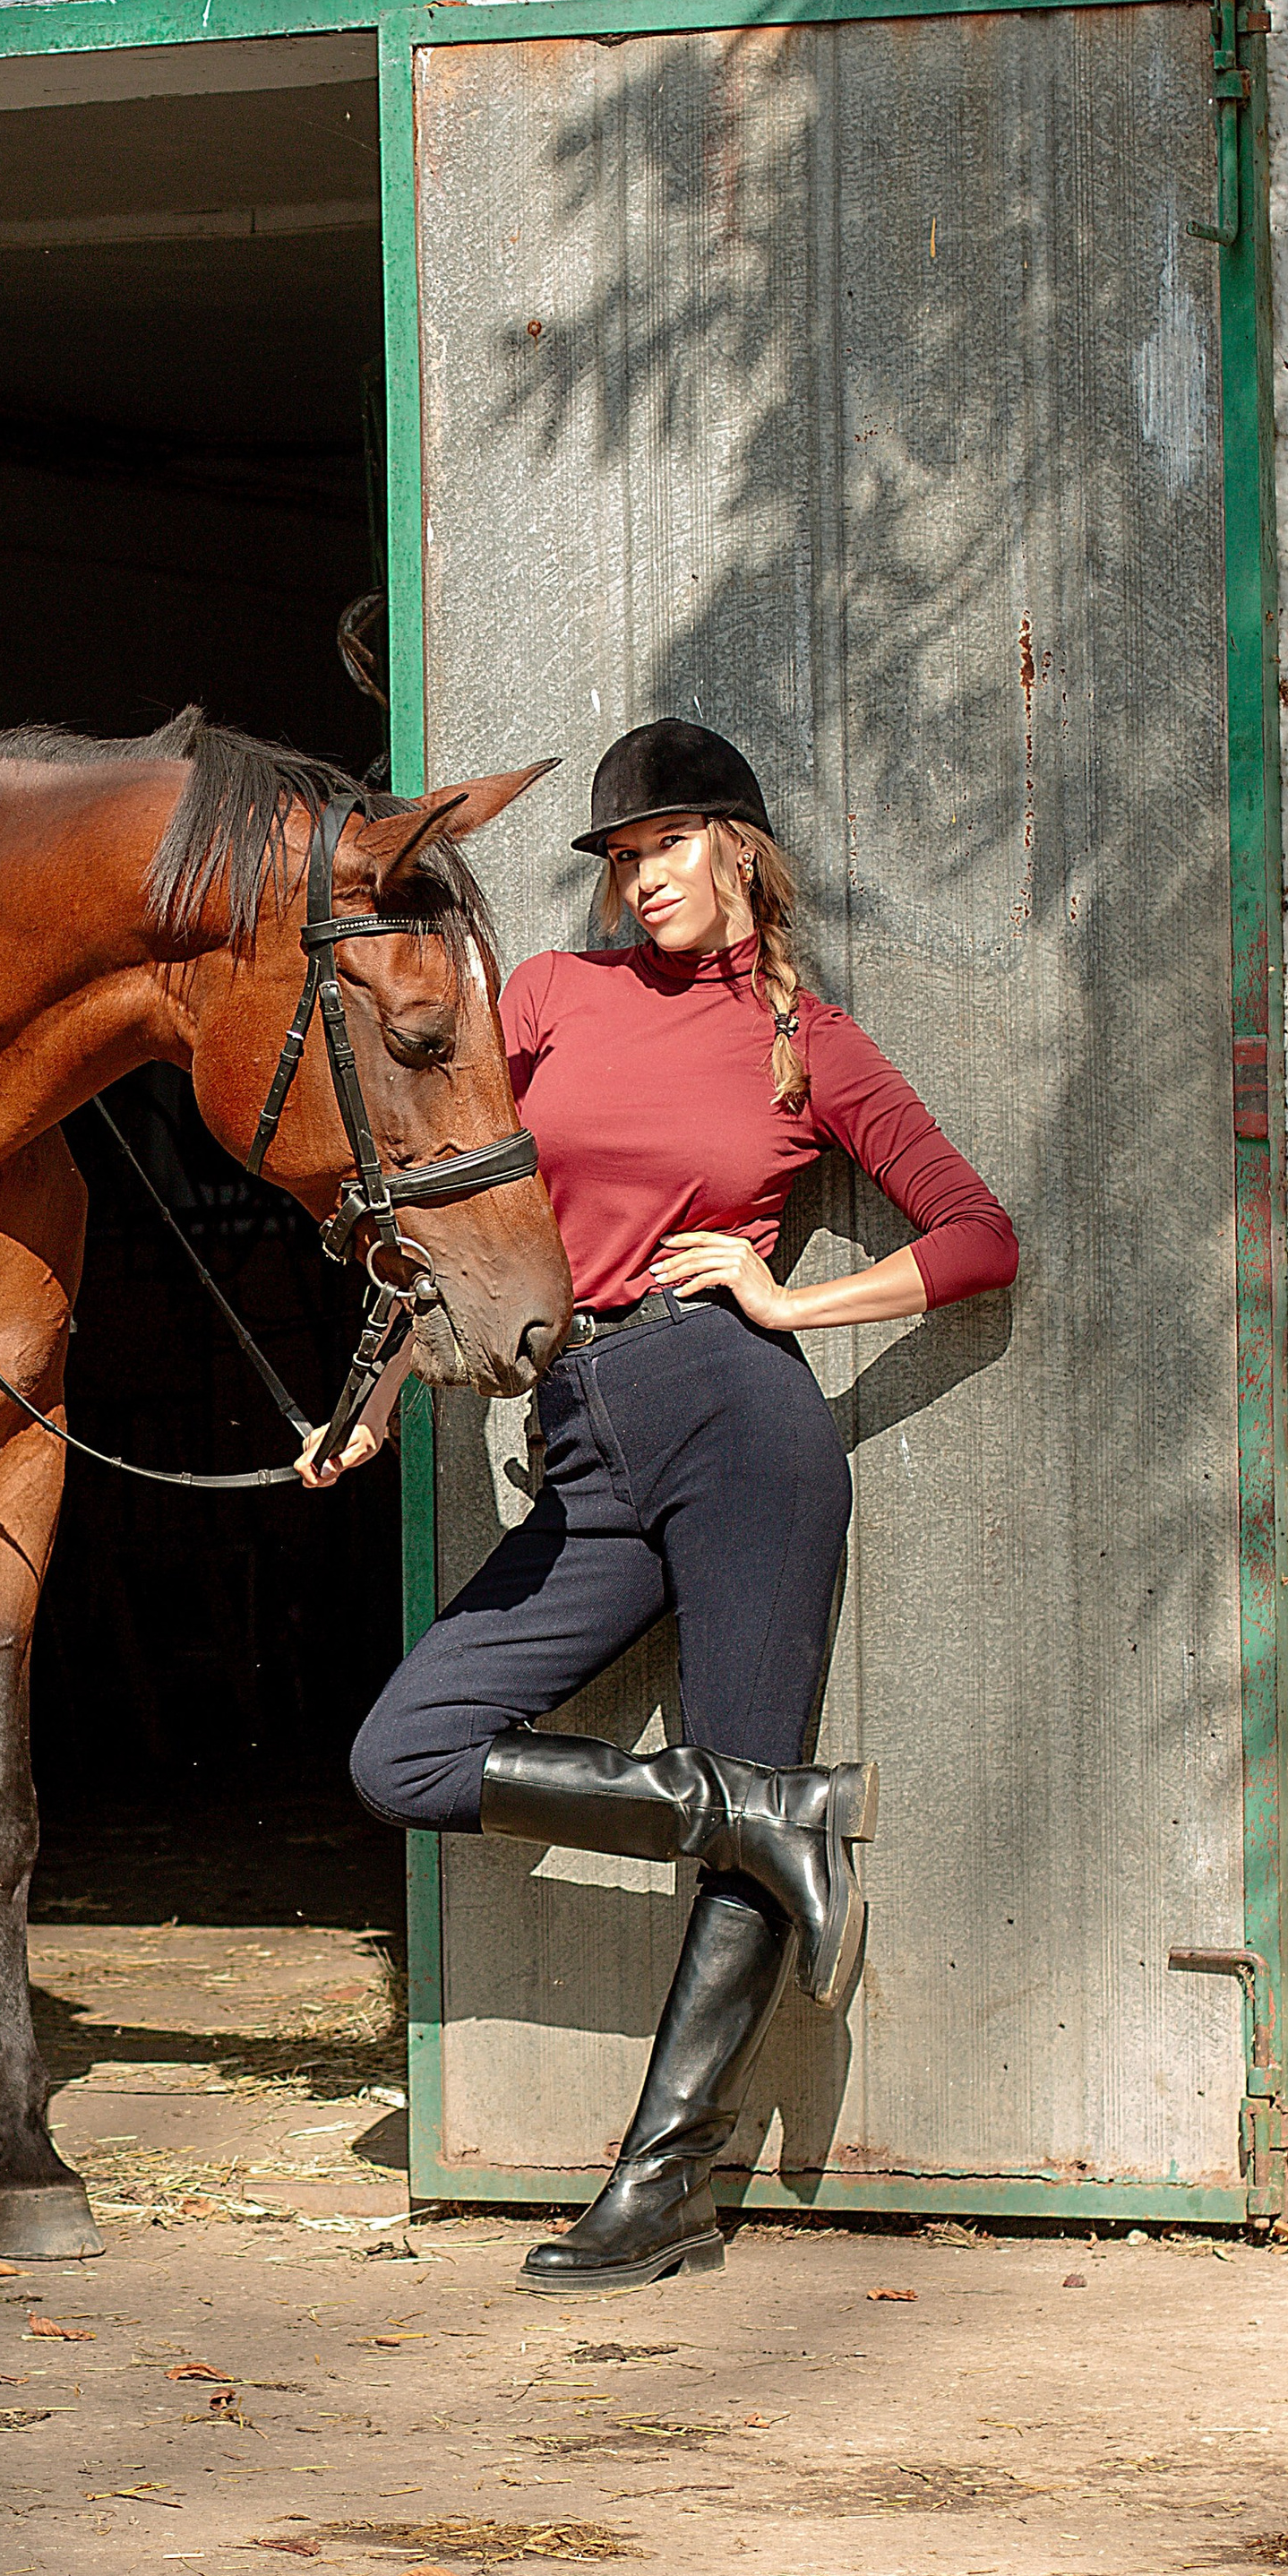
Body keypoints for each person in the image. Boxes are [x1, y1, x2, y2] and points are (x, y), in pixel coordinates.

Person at [323, 719, 1018, 2294]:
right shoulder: (551, 999)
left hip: (735, 1423)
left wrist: (789, 1303)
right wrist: (374, 1397)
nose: (641, 879)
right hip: (582, 1439)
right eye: (622, 857)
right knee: (402, 1755)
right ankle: (768, 1815)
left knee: (745, 1788)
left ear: (738, 849)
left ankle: (662, 2190)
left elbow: (979, 1238)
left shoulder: (807, 1045)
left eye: (668, 847)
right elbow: (451, 1191)